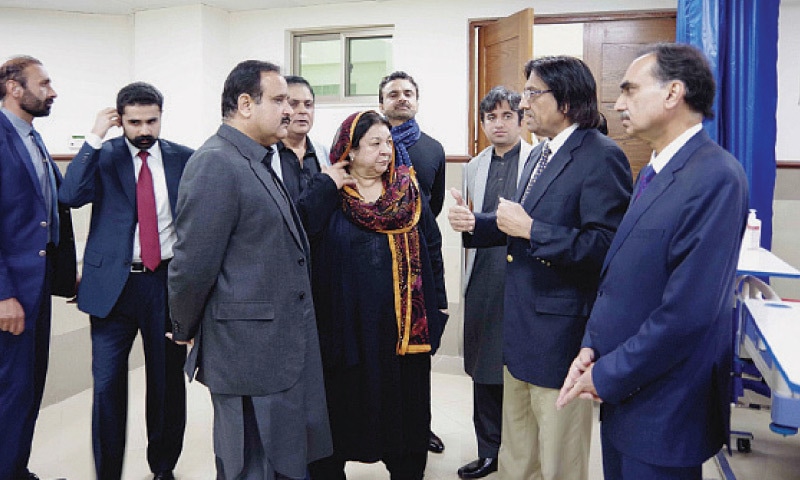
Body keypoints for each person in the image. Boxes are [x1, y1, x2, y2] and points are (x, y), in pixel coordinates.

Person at [557, 43, 749, 480]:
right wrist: (592, 346)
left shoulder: (716, 177)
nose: (618, 104)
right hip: (625, 391)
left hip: (665, 404)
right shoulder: (653, 171)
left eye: (629, 90)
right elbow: (623, 275)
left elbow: (687, 313)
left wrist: (607, 374)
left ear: (672, 93)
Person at [449, 56, 632, 480]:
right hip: (519, 332)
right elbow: (518, 226)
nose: (524, 102)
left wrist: (533, 231)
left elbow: (606, 247)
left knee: (558, 458)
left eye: (532, 93)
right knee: (519, 454)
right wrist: (477, 224)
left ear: (565, 100)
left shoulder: (601, 156)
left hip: (559, 338)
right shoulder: (540, 156)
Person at [167, 60, 332, 480]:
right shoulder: (216, 163)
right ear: (244, 103)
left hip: (275, 348)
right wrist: (183, 326)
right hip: (247, 352)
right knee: (251, 465)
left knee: (282, 461)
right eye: (278, 100)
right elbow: (193, 264)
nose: (289, 111)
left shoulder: (256, 159)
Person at [303, 110, 448, 480]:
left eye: (388, 142)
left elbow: (432, 248)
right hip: (344, 331)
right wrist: (324, 186)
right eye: (374, 143)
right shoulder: (330, 194)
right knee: (343, 408)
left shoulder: (408, 193)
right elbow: (300, 236)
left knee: (404, 412)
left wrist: (440, 306)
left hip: (402, 332)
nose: (386, 151)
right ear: (349, 151)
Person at [58, 82, 191, 480]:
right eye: (134, 122)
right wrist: (96, 136)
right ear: (121, 120)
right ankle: (108, 472)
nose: (144, 129)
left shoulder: (185, 158)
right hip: (112, 288)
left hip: (166, 283)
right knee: (107, 386)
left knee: (167, 385)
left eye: (151, 120)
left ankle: (163, 467)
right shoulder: (104, 155)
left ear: (161, 116)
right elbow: (70, 195)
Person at [0, 55, 77, 480]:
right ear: (14, 87)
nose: (52, 91)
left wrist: (69, 274)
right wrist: (2, 293)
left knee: (27, 387)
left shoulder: (34, 139)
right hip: (11, 291)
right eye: (44, 83)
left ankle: (15, 469)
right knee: (10, 390)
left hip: (37, 286)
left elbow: (50, 214)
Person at [453, 86, 534, 479]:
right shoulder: (474, 165)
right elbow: (469, 223)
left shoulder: (538, 160)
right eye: (491, 117)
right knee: (483, 366)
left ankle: (520, 450)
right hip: (483, 273)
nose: (498, 124)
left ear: (521, 118)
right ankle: (489, 449)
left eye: (506, 116)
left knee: (518, 369)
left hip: (523, 275)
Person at [378, 70, 447, 454]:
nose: (401, 98)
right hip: (381, 266)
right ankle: (386, 427)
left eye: (408, 93)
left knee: (420, 352)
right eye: (393, 94)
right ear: (382, 103)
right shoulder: (371, 145)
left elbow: (431, 210)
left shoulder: (433, 149)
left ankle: (421, 427)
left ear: (417, 100)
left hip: (421, 264)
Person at [273, 75, 330, 203]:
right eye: (294, 104)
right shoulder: (268, 155)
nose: (303, 111)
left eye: (308, 105)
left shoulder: (324, 154)